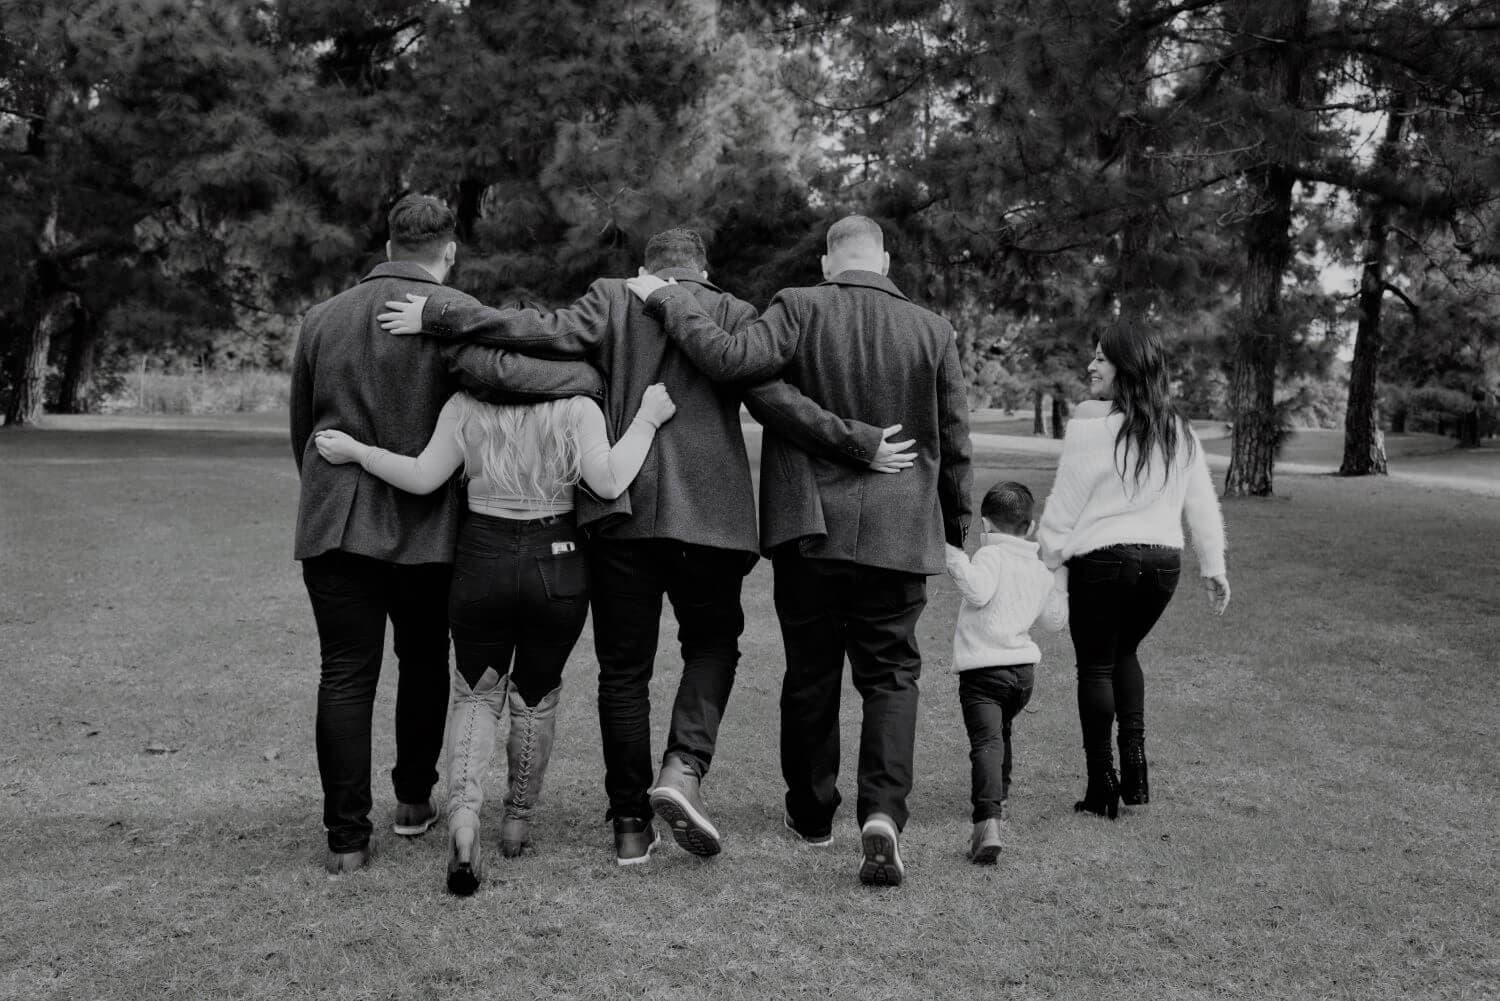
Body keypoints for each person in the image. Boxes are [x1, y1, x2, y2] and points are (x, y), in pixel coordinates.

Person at [375, 229, 910, 865]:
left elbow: (537, 333)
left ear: (642, 270)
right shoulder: (734, 312)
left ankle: (630, 824)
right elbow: (776, 402)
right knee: (712, 645)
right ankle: (682, 768)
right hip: (714, 520)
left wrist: (441, 312)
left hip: (622, 516)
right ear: (705, 271)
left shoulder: (611, 298)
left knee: (624, 670)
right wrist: (857, 441)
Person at [626, 214, 973, 887]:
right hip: (901, 531)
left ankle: (812, 816)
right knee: (892, 675)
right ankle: (882, 814)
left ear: (825, 262)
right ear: (885, 259)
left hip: (808, 527)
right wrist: (959, 534)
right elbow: (954, 442)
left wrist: (667, 296)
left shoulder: (798, 305)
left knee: (811, 672)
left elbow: (736, 368)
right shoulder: (933, 329)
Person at [290, 194, 602, 874]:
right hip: (430, 530)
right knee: (426, 661)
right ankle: (410, 801)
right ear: (449, 250)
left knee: (344, 673)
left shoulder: (322, 318)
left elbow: (302, 429)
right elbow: (518, 379)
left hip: (336, 512)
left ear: (389, 239)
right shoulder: (457, 319)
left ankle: (346, 839)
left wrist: (328, 489)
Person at [313, 382, 677, 894]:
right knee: (535, 695)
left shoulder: (467, 405)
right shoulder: (576, 408)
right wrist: (647, 420)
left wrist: (356, 451)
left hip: (481, 558)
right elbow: (610, 480)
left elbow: (421, 477)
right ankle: (515, 825)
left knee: (477, 692)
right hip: (558, 558)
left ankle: (464, 822)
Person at [1036, 322, 1230, 819]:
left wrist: (1048, 556)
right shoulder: (1179, 429)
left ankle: (1102, 785)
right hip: (1163, 566)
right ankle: (1136, 769)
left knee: (1096, 665)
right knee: (1125, 653)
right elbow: (1201, 502)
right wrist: (1213, 565)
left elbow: (1066, 501)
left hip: (1104, 562)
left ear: (1126, 365)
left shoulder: (1089, 424)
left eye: (1102, 358)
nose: (1091, 366)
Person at [943, 481, 1068, 864]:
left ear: (984, 524)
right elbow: (1054, 621)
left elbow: (978, 592)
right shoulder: (1038, 567)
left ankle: (988, 822)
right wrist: (1059, 578)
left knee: (986, 742)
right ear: (1029, 528)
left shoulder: (990, 556)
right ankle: (1003, 790)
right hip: (1022, 675)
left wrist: (953, 556)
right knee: (1002, 732)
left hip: (984, 672)